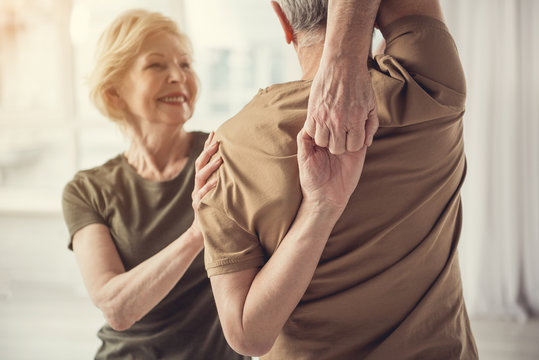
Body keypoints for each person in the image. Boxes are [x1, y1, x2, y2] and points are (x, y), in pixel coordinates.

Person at [196, 0, 479, 359]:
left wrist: (321, 209)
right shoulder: (429, 83)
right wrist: (347, 52)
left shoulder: (229, 148)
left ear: (282, 20)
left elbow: (247, 336)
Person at [61, 10, 247, 360]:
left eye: (186, 64)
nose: (178, 76)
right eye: (156, 66)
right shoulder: (86, 190)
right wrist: (196, 234)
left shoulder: (224, 157)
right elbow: (116, 307)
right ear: (115, 93)